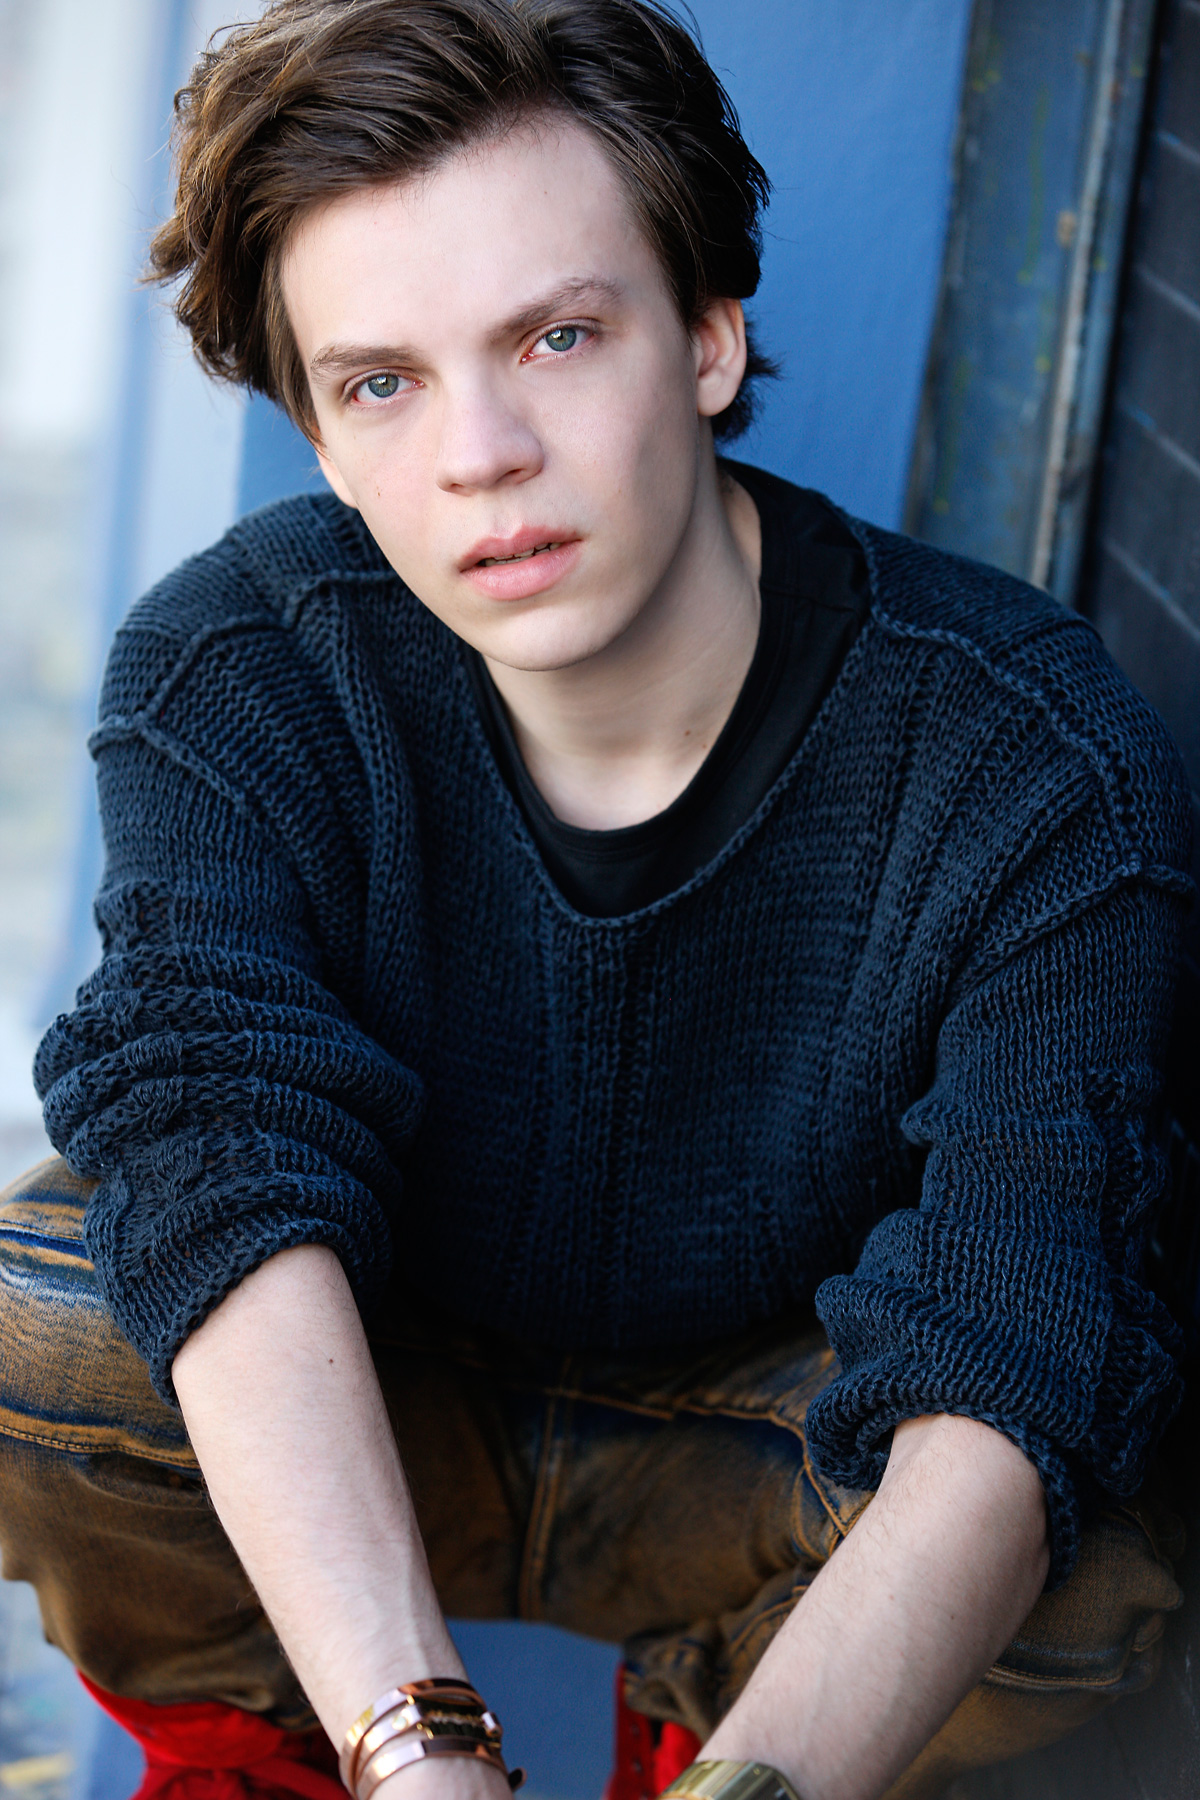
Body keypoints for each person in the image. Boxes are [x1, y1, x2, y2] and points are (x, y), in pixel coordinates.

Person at [0, 3, 1190, 1798]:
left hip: (768, 1448)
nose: (480, 451)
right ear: (319, 438)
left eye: (556, 336)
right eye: (381, 383)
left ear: (708, 336)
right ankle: (288, 1768)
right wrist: (417, 1754)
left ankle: (705, 1749)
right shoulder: (241, 667)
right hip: (395, 1389)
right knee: (48, 1316)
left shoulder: (1031, 757)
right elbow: (214, 1157)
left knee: (1084, 1537)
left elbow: (1023, 1342)